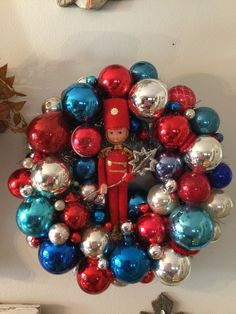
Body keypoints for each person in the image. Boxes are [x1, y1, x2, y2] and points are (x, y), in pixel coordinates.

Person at [98, 98, 133, 237]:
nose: (116, 137)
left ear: (127, 132)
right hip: (110, 185)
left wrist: (130, 175)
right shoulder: (105, 153)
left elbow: (132, 167)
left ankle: (124, 224)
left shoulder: (127, 152)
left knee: (123, 204)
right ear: (106, 134)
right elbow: (101, 170)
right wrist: (102, 184)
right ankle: (114, 226)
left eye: (120, 132)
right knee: (112, 206)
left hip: (123, 183)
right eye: (112, 133)